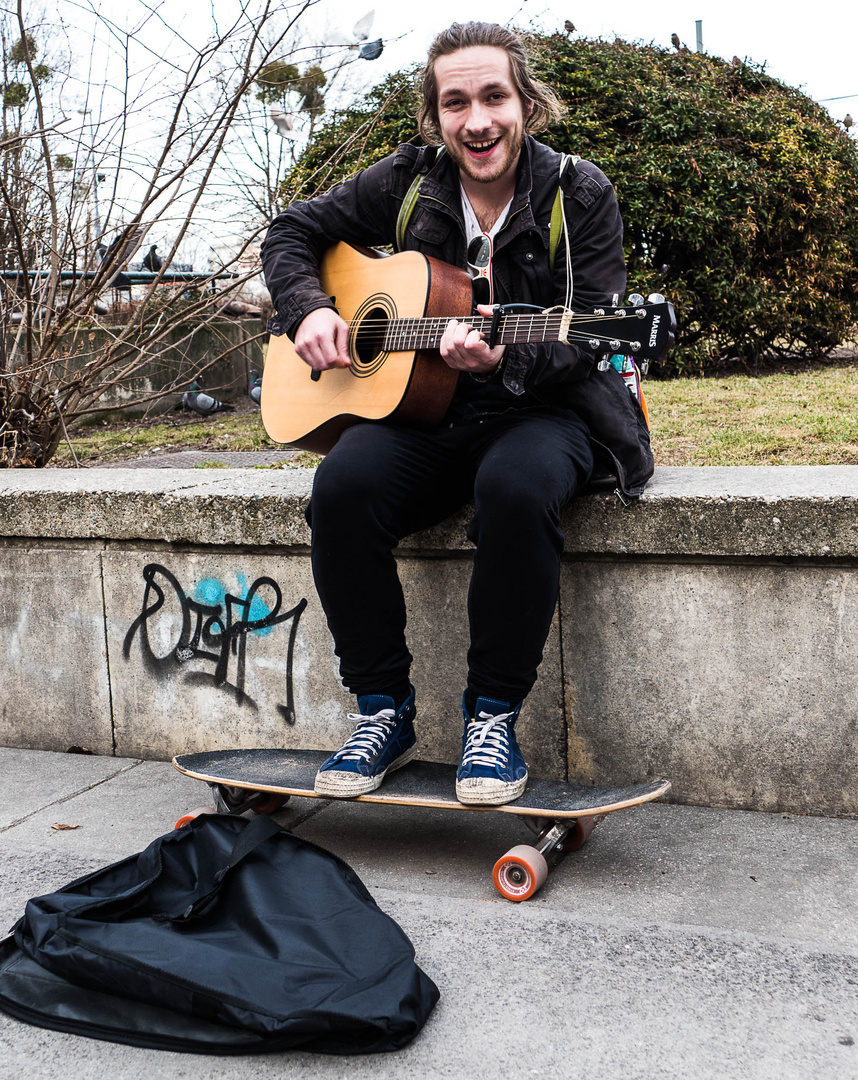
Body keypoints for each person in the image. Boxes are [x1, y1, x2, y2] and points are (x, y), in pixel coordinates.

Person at [261, 22, 652, 807]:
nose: (477, 121)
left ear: (526, 103)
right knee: (342, 489)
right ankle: (382, 710)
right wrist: (307, 309)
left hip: (549, 408)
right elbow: (293, 230)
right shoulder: (411, 181)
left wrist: (507, 355)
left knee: (517, 485)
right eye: (456, 102)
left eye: (494, 98)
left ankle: (492, 718)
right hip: (429, 411)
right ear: (435, 116)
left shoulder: (580, 193)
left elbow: (596, 333)